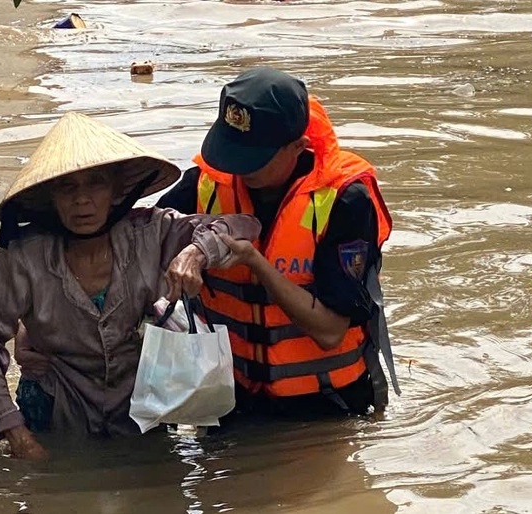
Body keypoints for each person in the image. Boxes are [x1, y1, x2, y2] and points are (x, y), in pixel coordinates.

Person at [0, 112, 261, 460]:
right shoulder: (23, 257)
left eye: (95, 184)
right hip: (55, 407)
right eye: (67, 187)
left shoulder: (154, 231)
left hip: (140, 406)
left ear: (117, 189)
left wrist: (195, 253)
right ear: (51, 198)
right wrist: (17, 435)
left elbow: (242, 226)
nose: (82, 200)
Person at [156, 66, 400, 418]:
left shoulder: (346, 201)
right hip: (233, 396)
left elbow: (331, 332)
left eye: (254, 158)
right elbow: (140, 237)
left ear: (297, 147)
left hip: (327, 404)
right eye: (233, 151)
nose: (239, 168)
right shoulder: (206, 184)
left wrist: (256, 264)